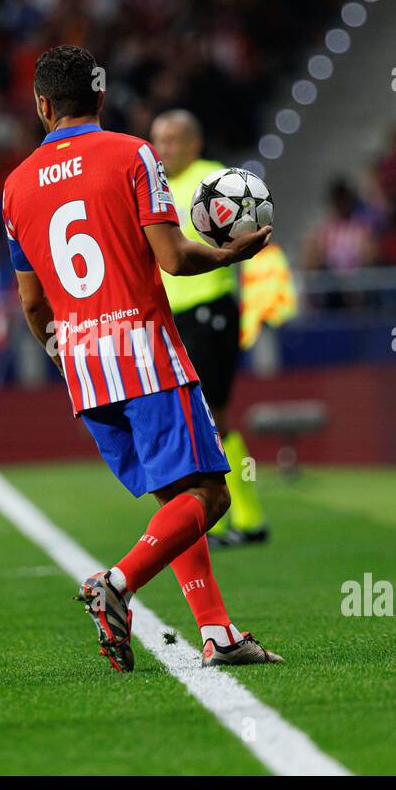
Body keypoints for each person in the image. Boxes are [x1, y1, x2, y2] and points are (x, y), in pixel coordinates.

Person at [1, 45, 283, 671]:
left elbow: (30, 303)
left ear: (43, 106)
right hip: (146, 355)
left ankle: (218, 632)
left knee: (176, 499)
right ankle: (116, 586)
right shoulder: (132, 153)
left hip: (85, 367)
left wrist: (65, 354)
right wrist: (231, 256)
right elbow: (175, 258)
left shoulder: (15, 185)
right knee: (211, 497)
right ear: (99, 98)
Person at [151, 109, 269, 546]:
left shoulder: (215, 181)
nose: (164, 148)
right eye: (158, 139)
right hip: (171, 317)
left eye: (174, 139)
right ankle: (224, 517)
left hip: (209, 309)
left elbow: (242, 234)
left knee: (212, 415)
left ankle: (244, 518)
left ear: (195, 143)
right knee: (196, 417)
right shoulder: (154, 185)